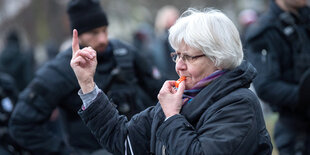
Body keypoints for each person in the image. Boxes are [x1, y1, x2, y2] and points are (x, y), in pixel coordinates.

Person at [71, 8, 273, 155]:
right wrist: (88, 84)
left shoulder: (239, 105)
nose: (179, 66)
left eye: (188, 57)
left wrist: (172, 118)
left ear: (218, 58)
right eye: (177, 55)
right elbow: (123, 141)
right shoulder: (180, 99)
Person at [8, 0, 164, 154]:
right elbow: (22, 124)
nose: (103, 39)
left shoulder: (124, 53)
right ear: (78, 35)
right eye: (94, 33)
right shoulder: (60, 69)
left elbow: (159, 93)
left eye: (105, 30)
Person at [245, 0, 310, 154]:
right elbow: (266, 86)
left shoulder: (305, 18)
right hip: (298, 133)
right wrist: (303, 94)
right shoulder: (264, 31)